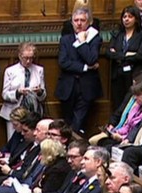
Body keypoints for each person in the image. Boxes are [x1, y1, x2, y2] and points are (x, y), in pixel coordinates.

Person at [55, 6, 102, 134]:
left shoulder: (95, 38)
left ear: (89, 22)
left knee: (78, 123)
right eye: (76, 20)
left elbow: (92, 59)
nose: (79, 23)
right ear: (72, 22)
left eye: (82, 20)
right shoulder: (65, 40)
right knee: (67, 122)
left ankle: (73, 146)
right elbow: (63, 62)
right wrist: (85, 67)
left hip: (86, 87)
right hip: (68, 87)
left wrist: (82, 43)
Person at [0, 42, 46, 141]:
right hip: (14, 112)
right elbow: (5, 94)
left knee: (32, 140)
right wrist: (18, 92)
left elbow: (43, 96)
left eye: (31, 58)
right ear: (20, 56)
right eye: (26, 58)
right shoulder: (10, 71)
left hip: (32, 112)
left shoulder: (39, 70)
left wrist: (39, 92)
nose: (28, 61)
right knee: (13, 141)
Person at [107, 6, 142, 112]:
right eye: (124, 16)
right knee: (118, 103)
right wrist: (127, 55)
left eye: (130, 17)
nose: (126, 19)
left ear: (136, 19)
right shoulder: (117, 35)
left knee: (132, 103)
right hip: (118, 74)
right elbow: (108, 54)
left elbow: (140, 55)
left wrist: (118, 54)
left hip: (135, 74)